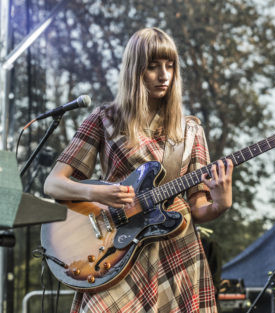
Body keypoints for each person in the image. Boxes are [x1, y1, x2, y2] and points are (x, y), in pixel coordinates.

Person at [44, 27, 234, 313]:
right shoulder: (104, 119)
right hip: (115, 252)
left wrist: (221, 202)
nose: (164, 75)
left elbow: (198, 207)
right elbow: (54, 184)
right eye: (153, 67)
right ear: (135, 70)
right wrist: (99, 193)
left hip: (177, 254)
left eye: (170, 66)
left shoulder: (190, 130)